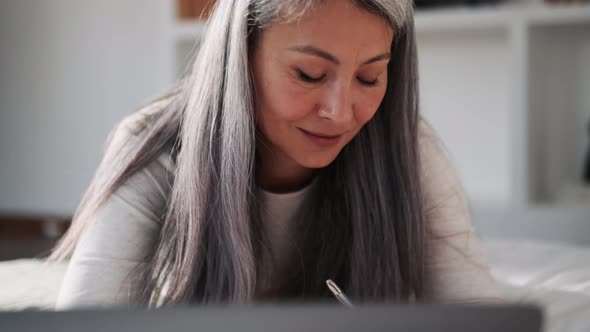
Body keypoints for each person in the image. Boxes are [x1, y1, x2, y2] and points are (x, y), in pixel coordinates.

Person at [51, 0, 503, 309]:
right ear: (240, 57)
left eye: (369, 78)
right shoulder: (153, 149)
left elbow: (478, 311)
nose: (340, 112)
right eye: (309, 74)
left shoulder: (407, 148)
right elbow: (88, 319)